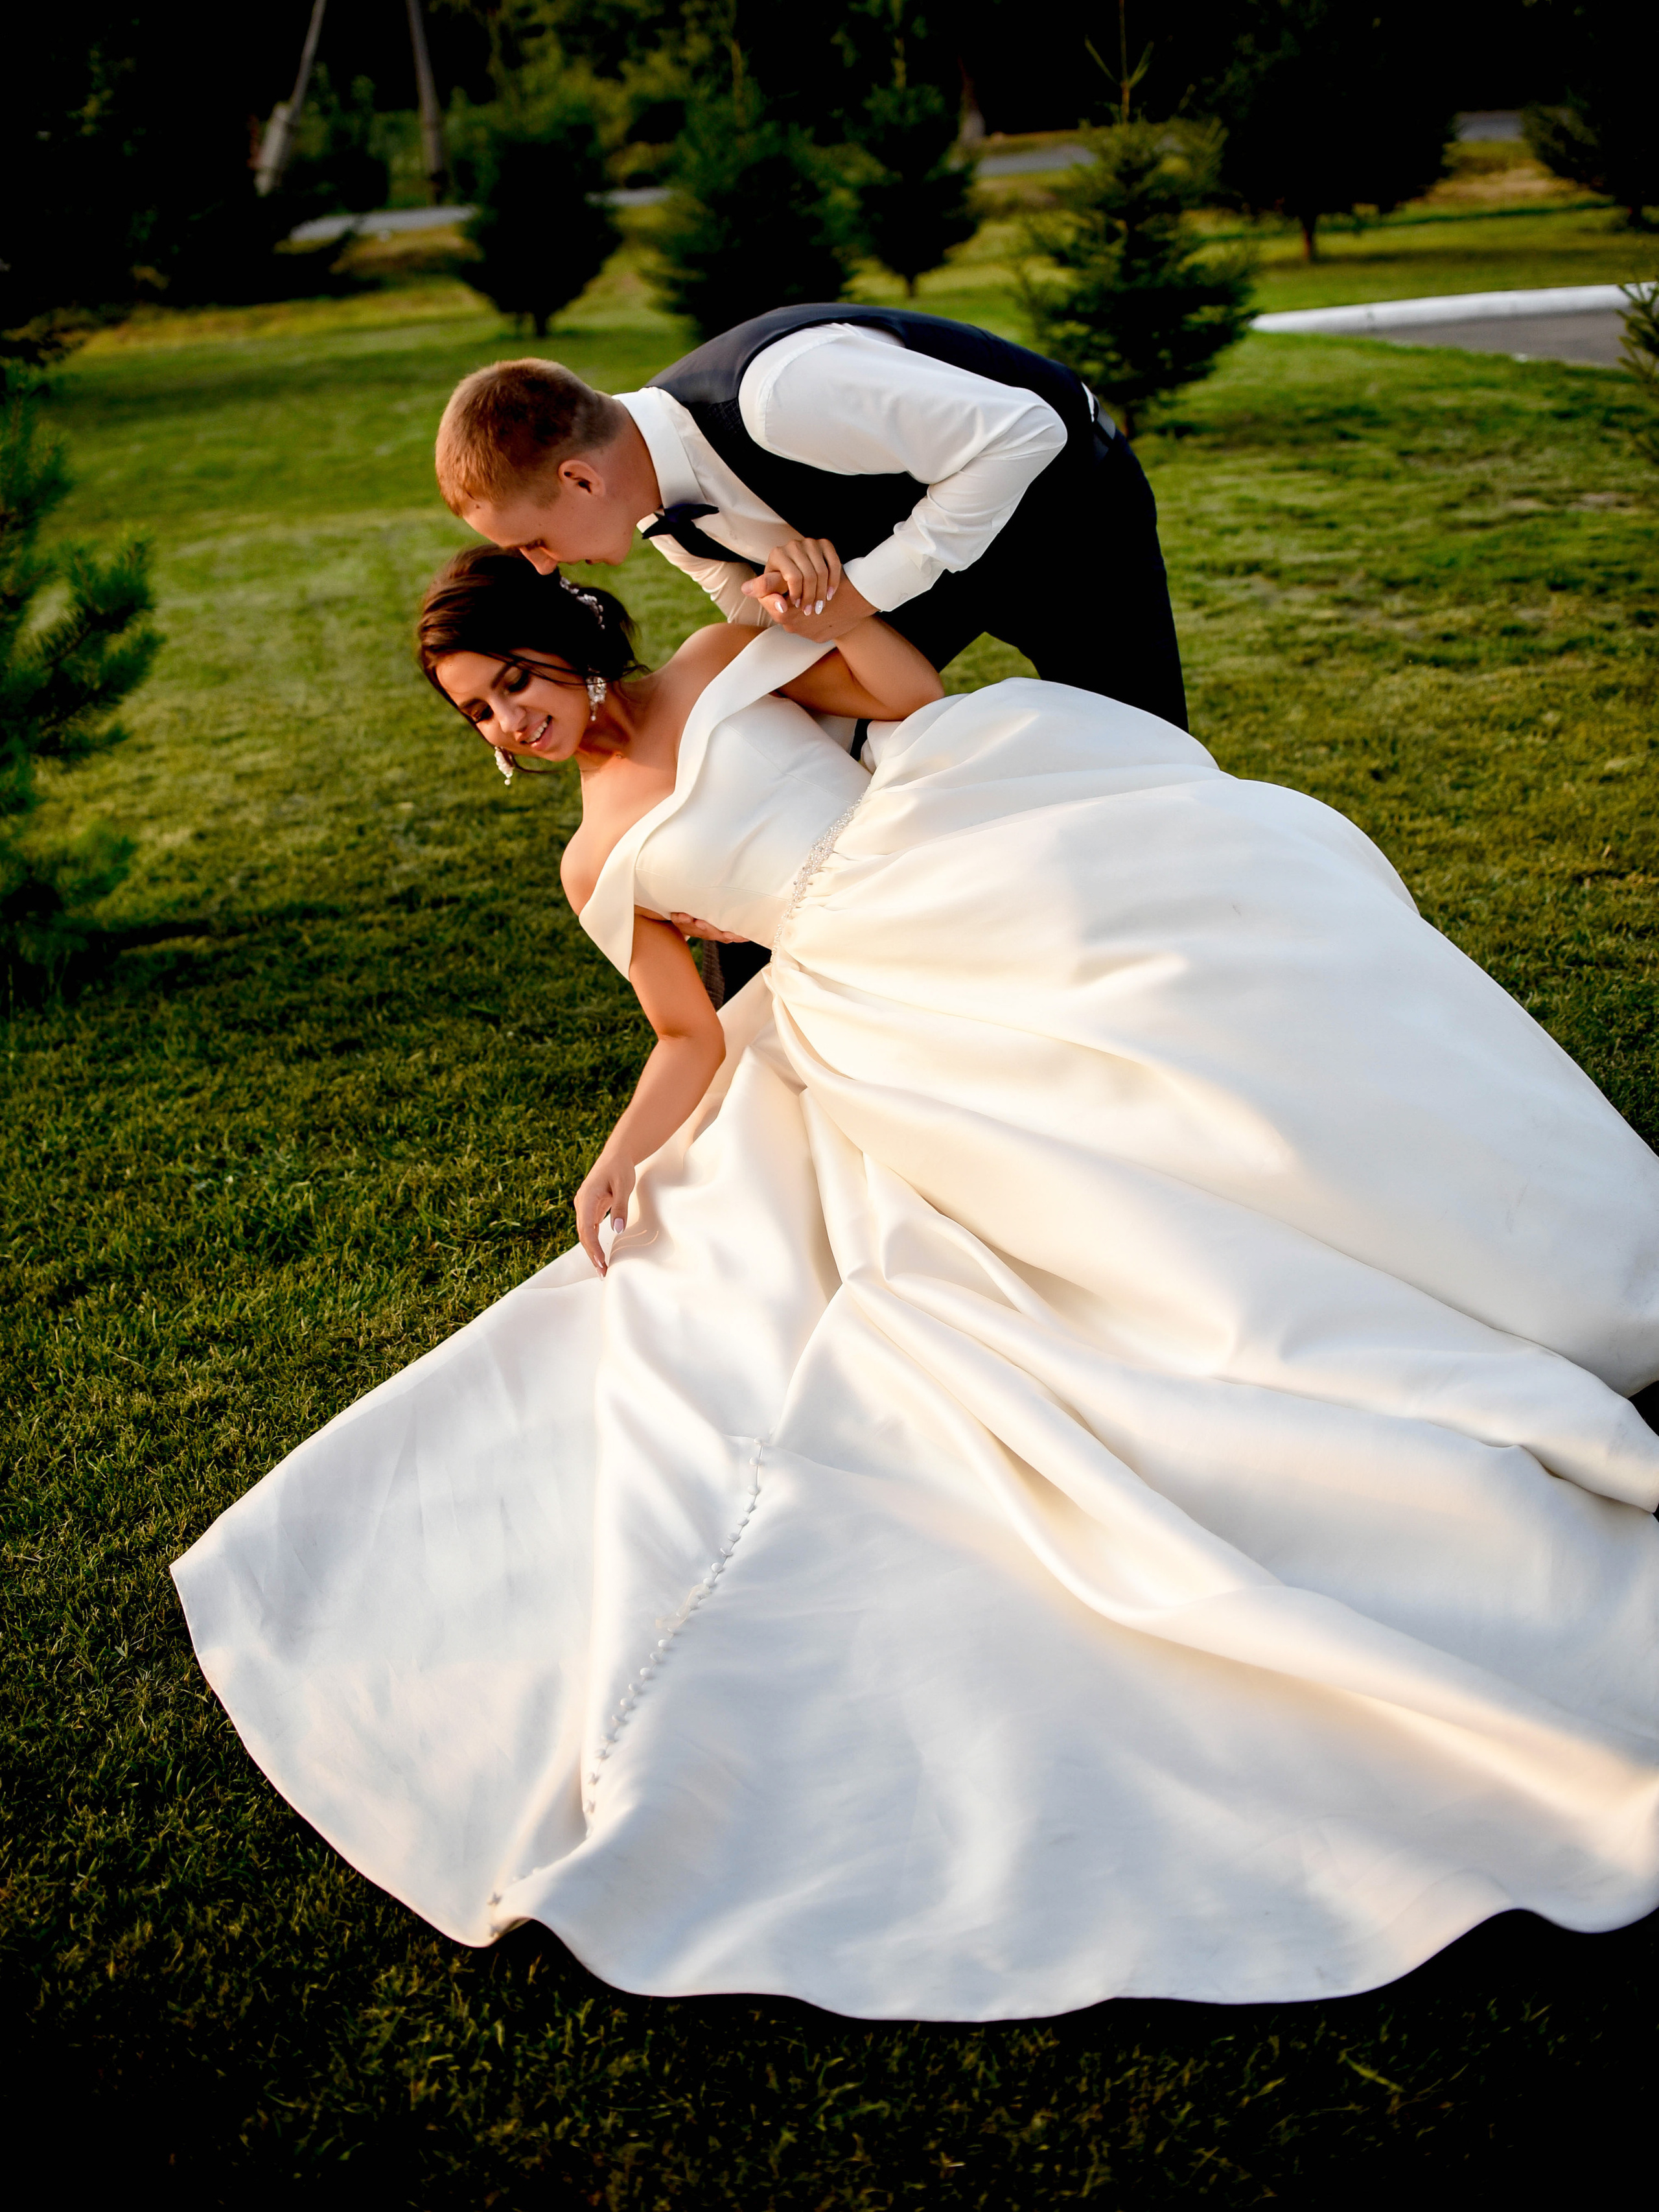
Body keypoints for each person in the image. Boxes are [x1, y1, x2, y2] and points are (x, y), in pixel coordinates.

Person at [173, 557, 1659, 2023]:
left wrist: (832, 618)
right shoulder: (591, 861)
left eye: (512, 683)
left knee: (1209, 1034)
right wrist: (619, 1159)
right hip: (851, 1001)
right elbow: (686, 1038)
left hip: (955, 874)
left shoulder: (710, 664)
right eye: (478, 715)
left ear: (565, 640)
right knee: (1066, 1211)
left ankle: (1418, 1219)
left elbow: (905, 699)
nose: (509, 723)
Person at [433, 307, 1185, 997]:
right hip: (902, 563)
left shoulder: (778, 393)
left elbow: (1024, 432)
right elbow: (768, 652)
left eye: (531, 540)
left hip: (1065, 516)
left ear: (579, 478)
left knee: (1146, 760)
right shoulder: (659, 510)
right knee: (777, 742)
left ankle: (1168, 957)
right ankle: (773, 985)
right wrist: (715, 863)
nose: (537, 564)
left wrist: (860, 594)